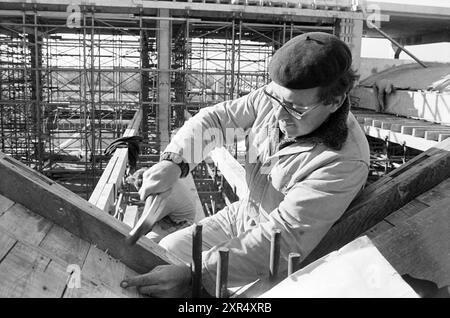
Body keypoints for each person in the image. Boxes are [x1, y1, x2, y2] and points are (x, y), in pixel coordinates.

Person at [121, 32, 370, 297]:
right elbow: (216, 122)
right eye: (277, 100)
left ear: (334, 101)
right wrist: (175, 161)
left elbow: (284, 238)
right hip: (243, 214)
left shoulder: (343, 161)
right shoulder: (274, 99)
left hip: (286, 252)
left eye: (296, 109)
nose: (279, 115)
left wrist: (196, 275)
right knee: (167, 251)